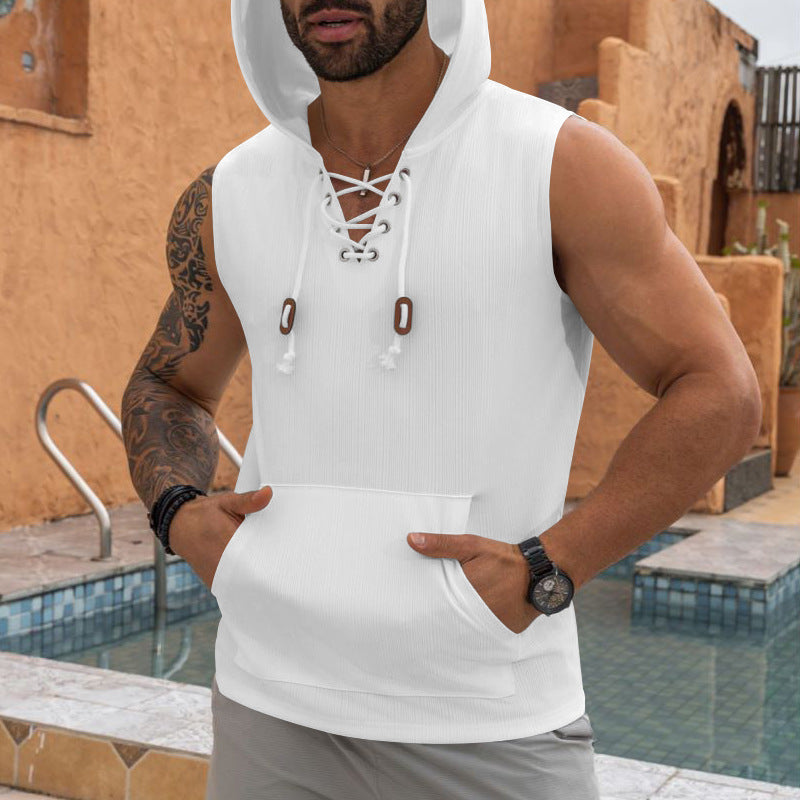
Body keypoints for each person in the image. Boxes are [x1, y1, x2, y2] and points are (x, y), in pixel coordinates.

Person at [120, 0, 763, 796]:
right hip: (267, 707)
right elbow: (167, 384)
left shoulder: (559, 165)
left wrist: (551, 568)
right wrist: (179, 513)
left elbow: (720, 391)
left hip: (489, 719)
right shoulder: (228, 192)